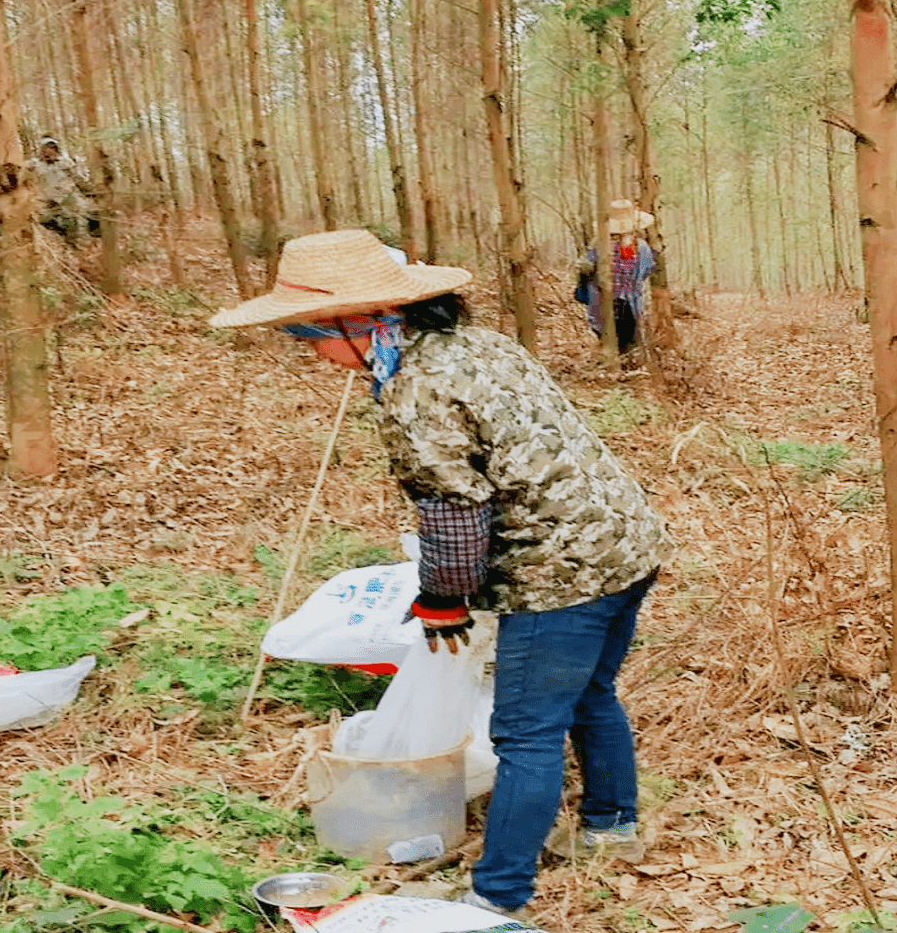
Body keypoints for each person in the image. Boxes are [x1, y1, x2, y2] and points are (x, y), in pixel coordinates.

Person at [209, 230, 672, 918]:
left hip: (560, 571)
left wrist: (442, 599)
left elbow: (455, 508)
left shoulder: (415, 388)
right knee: (590, 694)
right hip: (626, 541)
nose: (312, 352)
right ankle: (611, 826)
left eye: (310, 334)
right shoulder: (476, 344)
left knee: (527, 733)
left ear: (361, 323)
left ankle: (496, 897)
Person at [580, 199, 656, 355]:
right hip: (611, 300)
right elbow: (646, 271)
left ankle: (621, 364)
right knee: (620, 339)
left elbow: (585, 268)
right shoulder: (601, 244)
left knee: (621, 339)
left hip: (622, 301)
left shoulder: (639, 247)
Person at [26, 135, 99, 243]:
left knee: (83, 215)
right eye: (47, 148)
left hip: (67, 195)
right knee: (43, 219)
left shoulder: (65, 162)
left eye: (53, 148)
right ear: (41, 150)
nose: (50, 151)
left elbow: (78, 178)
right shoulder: (35, 164)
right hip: (46, 199)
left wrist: (90, 191)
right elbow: (21, 170)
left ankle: (79, 241)